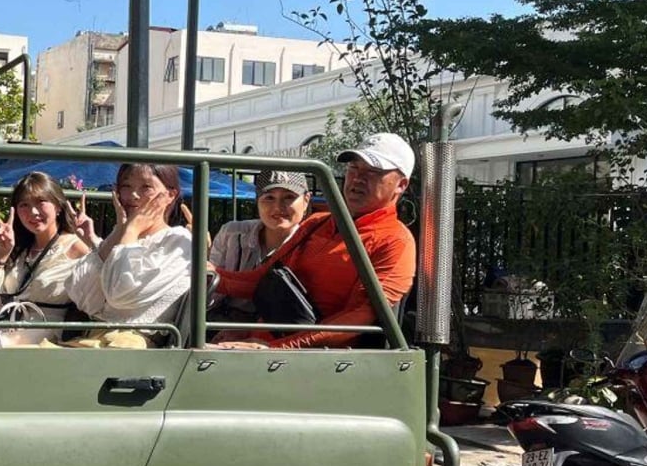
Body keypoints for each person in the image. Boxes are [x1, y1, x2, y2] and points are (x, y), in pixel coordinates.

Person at [213, 133, 417, 350]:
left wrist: (275, 348)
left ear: (401, 184)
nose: (358, 178)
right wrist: (206, 274)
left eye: (373, 172)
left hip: (321, 365)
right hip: (269, 350)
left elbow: (357, 320)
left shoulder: (396, 242)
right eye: (354, 168)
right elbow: (262, 280)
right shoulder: (318, 222)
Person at [64, 162, 194, 346]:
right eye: (126, 187)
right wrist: (121, 230)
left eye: (146, 187)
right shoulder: (124, 237)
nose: (133, 195)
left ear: (170, 195)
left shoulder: (178, 240)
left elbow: (121, 292)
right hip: (98, 339)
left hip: (133, 346)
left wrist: (131, 230)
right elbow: (81, 294)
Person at [0, 172, 92, 344]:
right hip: (7, 325)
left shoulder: (76, 247)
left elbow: (100, 290)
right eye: (24, 205)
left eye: (41, 202)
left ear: (58, 206)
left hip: (46, 336)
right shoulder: (19, 249)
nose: (33, 212)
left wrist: (92, 241)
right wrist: (2, 253)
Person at [208, 170, 312, 319]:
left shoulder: (313, 242)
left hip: (275, 332)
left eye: (289, 197)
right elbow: (209, 299)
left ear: (306, 200)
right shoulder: (231, 233)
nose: (278, 207)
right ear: (257, 200)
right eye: (269, 198)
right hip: (222, 322)